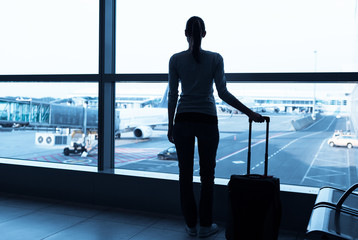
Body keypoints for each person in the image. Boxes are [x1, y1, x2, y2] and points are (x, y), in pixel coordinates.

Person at [167, 16, 264, 238]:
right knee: (207, 176)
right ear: (204, 34)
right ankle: (205, 226)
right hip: (207, 121)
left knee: (185, 176)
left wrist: (171, 125)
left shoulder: (175, 60)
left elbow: (173, 95)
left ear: (185, 34)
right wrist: (250, 112)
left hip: (183, 119)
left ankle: (190, 225)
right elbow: (223, 93)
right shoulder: (215, 59)